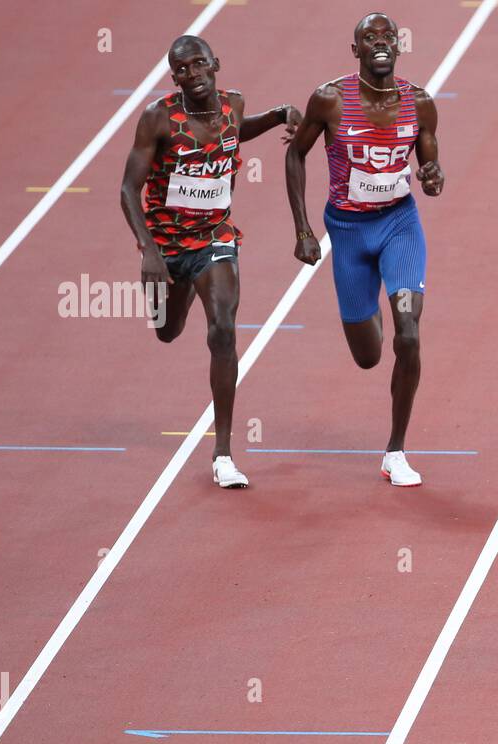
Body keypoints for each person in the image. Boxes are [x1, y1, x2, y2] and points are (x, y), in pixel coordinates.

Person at [121, 35, 301, 488]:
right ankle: (169, 300)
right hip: (165, 247)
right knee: (167, 331)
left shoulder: (233, 104)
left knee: (222, 330)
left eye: (199, 64)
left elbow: (237, 129)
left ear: (215, 64)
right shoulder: (158, 118)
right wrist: (148, 250)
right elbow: (128, 189)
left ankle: (223, 453)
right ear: (174, 76)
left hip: (215, 239)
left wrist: (279, 114)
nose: (193, 74)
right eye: (182, 69)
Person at [285, 12, 443, 488]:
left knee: (409, 335)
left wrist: (434, 178)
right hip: (348, 232)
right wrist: (303, 230)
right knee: (369, 355)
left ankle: (395, 450)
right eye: (368, 37)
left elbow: (431, 168)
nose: (380, 42)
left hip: (399, 225)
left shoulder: (420, 103)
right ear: (355, 51)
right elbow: (296, 154)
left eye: (387, 36)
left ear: (398, 46)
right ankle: (371, 301)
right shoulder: (330, 99)